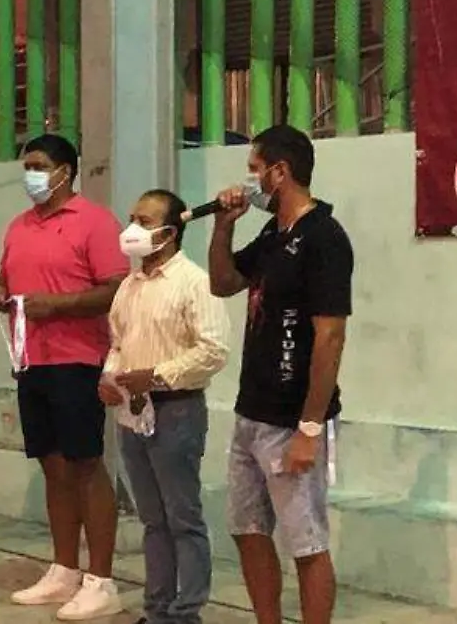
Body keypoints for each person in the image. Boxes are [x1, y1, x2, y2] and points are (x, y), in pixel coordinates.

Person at [207, 124, 353, 624]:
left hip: (293, 419)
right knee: (247, 530)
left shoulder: (324, 238)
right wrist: (223, 225)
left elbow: (330, 337)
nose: (249, 179)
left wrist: (309, 428)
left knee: (306, 542)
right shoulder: (273, 234)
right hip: (252, 411)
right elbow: (223, 282)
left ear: (279, 172)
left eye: (254, 169)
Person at [0, 133, 129, 620]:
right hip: (32, 360)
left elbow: (116, 289)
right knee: (51, 465)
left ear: (65, 171)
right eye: (26, 166)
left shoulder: (95, 222)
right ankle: (64, 568)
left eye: (39, 165)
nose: (31, 174)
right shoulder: (19, 226)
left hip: (78, 358)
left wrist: (60, 306)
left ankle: (102, 580)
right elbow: (8, 281)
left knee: (85, 464)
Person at [99, 190, 230, 624]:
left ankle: (185, 612)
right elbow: (118, 342)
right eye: (132, 218)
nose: (132, 228)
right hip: (132, 411)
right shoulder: (129, 286)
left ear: (170, 233)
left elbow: (213, 350)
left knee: (182, 518)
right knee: (152, 519)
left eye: (145, 221)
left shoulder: (194, 282)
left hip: (177, 410)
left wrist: (156, 375)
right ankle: (157, 609)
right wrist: (110, 377)